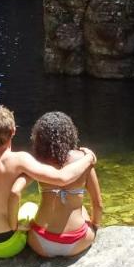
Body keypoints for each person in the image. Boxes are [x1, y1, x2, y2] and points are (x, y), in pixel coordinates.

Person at [0, 105, 96, 259]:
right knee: (30, 206)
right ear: (13, 131)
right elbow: (62, 178)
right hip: (9, 246)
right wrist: (89, 158)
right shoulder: (21, 160)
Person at [26, 111, 103, 258]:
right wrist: (95, 226)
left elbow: (15, 191)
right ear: (70, 134)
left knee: (30, 206)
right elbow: (98, 204)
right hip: (77, 242)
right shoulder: (83, 160)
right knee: (82, 208)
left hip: (41, 242)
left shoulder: (36, 163)